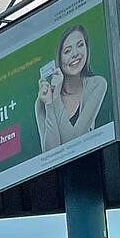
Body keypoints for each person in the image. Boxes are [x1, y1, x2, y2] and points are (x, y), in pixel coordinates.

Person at [35, 22, 109, 150]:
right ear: (59, 58)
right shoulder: (41, 102)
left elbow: (76, 142)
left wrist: (56, 97)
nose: (75, 54)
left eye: (80, 45)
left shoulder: (97, 84)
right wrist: (49, 103)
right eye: (67, 51)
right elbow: (50, 152)